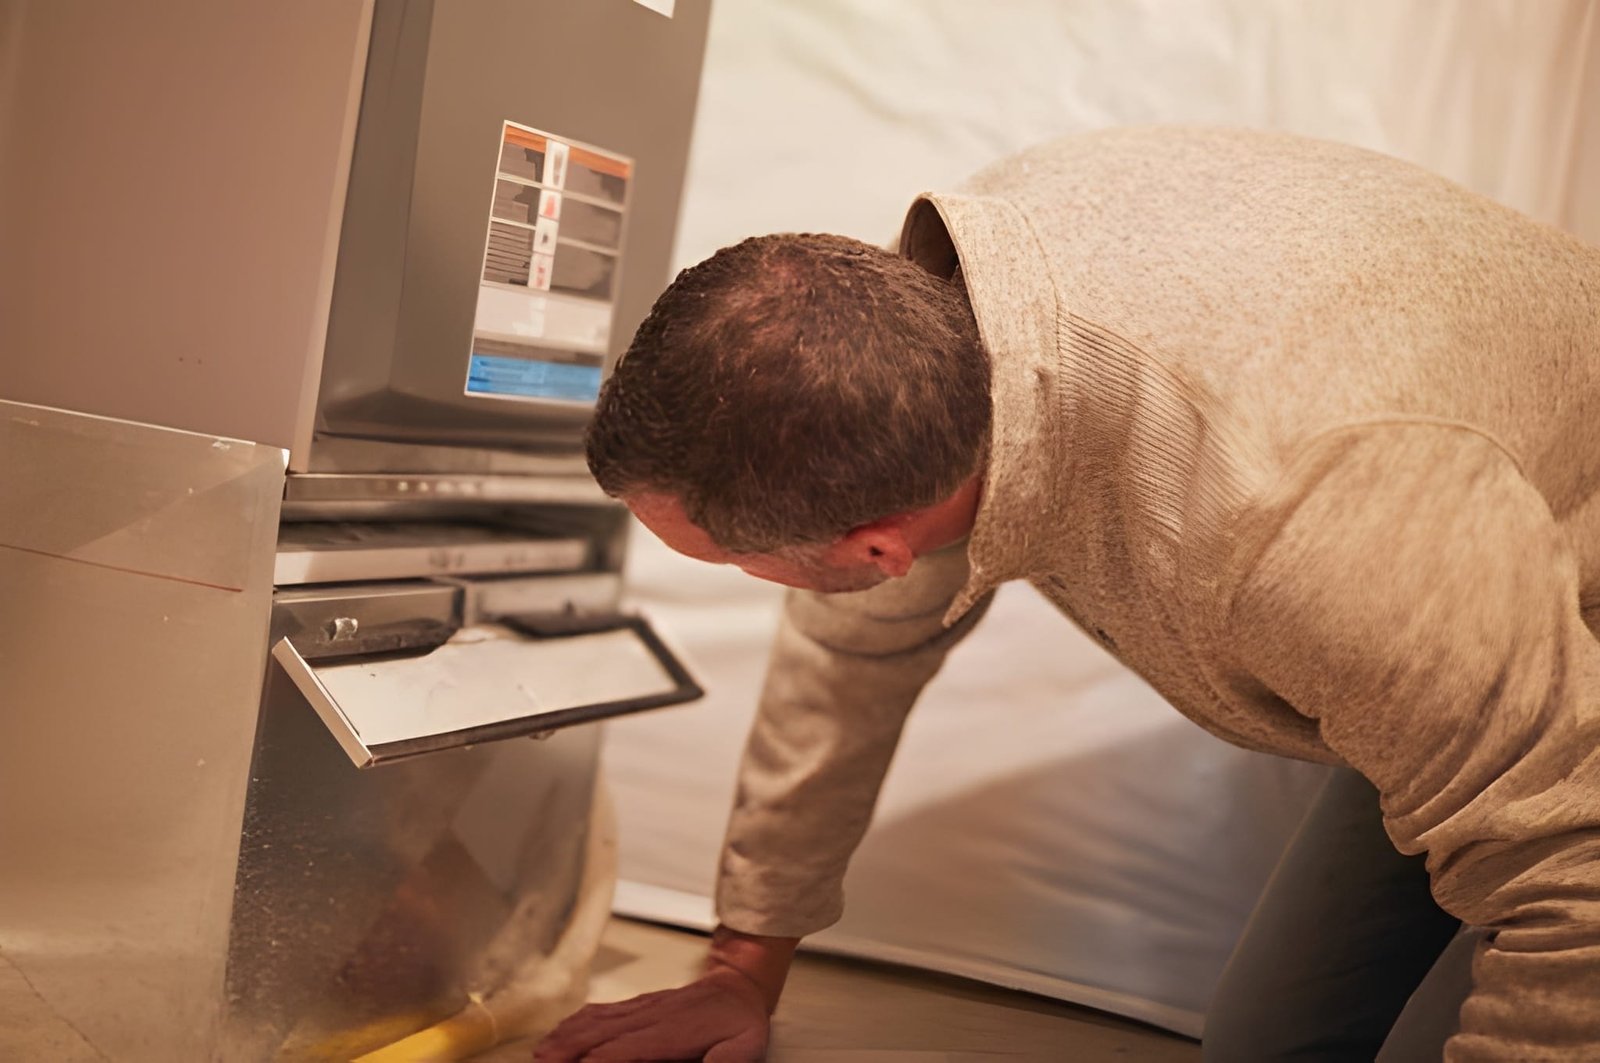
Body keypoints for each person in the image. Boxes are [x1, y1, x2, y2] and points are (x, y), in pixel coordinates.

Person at [533, 125, 1600, 1062]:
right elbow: (846, 658)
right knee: (1273, 1046)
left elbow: (1575, 882)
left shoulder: (1304, 523)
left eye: (725, 559)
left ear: (873, 551)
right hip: (1468, 593)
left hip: (1522, 621)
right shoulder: (941, 331)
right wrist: (738, 970)